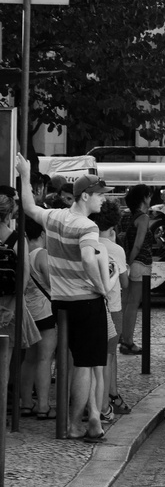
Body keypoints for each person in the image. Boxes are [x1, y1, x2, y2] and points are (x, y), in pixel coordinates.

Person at [16, 158, 111, 442]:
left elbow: (30, 207)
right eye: (100, 195)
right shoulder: (87, 227)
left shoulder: (55, 216)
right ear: (85, 196)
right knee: (85, 365)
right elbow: (86, 258)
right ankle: (73, 425)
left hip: (61, 302)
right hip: (87, 301)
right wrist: (101, 286)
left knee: (83, 360)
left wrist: (23, 175)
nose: (103, 201)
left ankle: (94, 417)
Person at [0, 189, 44, 416]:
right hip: (9, 306)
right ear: (9, 215)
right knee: (5, 361)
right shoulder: (17, 240)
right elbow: (25, 276)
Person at [89, 199, 130, 420]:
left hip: (91, 304)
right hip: (112, 307)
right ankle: (106, 401)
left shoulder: (87, 243)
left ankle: (97, 401)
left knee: (92, 358)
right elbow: (124, 283)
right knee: (108, 356)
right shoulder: (116, 250)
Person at [22, 216, 57, 420]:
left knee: (29, 359)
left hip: (29, 312)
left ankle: (26, 403)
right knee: (45, 359)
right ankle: (43, 405)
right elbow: (54, 285)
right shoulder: (41, 255)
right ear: (43, 234)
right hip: (45, 313)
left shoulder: (23, 253)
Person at [121, 183, 154, 356]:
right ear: (144, 198)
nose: (150, 199)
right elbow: (138, 244)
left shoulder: (126, 217)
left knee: (125, 303)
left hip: (128, 262)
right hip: (139, 263)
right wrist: (130, 262)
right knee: (133, 304)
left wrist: (125, 263)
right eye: (149, 196)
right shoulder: (143, 218)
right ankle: (128, 342)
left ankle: (123, 337)